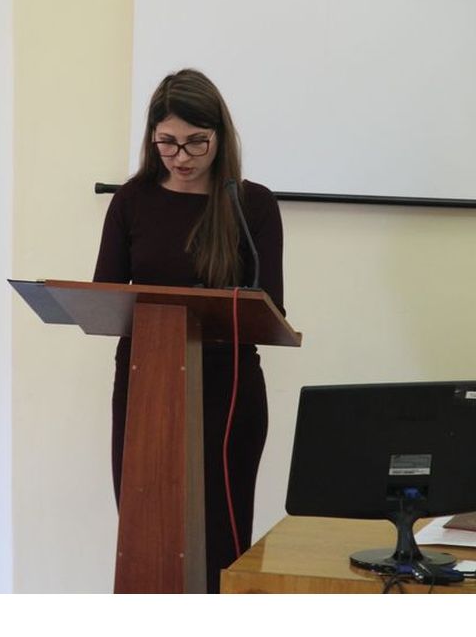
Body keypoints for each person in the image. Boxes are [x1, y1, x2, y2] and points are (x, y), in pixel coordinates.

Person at [93, 68, 284, 593]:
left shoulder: (252, 205)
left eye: (196, 141)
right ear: (152, 137)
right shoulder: (131, 201)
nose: (181, 156)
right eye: (168, 142)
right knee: (145, 537)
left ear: (220, 136)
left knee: (220, 541)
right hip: (145, 386)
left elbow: (271, 306)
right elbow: (105, 296)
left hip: (227, 391)